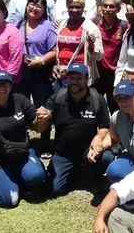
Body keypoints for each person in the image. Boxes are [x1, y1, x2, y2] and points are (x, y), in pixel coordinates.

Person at [0, 70, 47, 208]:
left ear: (11, 86)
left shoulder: (20, 100)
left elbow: (37, 128)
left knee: (37, 177)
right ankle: (0, 182)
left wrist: (42, 121)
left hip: (22, 155)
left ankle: (16, 179)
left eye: (6, 84)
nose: (2, 87)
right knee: (10, 200)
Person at [36, 63, 110, 195]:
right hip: (63, 152)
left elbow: (105, 126)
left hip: (88, 149)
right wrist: (44, 115)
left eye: (78, 78)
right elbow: (47, 113)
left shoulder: (96, 99)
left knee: (107, 157)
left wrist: (98, 138)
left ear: (87, 79)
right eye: (71, 78)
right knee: (54, 190)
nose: (74, 82)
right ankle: (75, 172)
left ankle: (96, 177)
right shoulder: (58, 97)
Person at [15, 0, 57, 155]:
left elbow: (54, 51)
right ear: (26, 6)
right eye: (32, 4)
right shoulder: (18, 24)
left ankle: (45, 143)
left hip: (40, 73)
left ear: (44, 10)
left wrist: (40, 61)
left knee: (42, 108)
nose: (35, 8)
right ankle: (21, 140)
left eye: (39, 6)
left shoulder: (48, 26)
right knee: (19, 106)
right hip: (21, 72)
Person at [54, 0, 103, 87]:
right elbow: (56, 50)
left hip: (81, 79)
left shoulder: (91, 28)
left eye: (78, 7)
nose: (74, 10)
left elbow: (99, 56)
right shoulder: (61, 26)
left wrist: (91, 46)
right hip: (62, 77)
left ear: (83, 8)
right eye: (71, 7)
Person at [95, 0, 128, 111]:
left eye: (112, 6)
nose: (108, 9)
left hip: (115, 75)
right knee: (95, 106)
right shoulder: (94, 24)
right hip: (97, 74)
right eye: (105, 6)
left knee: (115, 107)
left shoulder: (124, 27)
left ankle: (115, 129)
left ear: (118, 8)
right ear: (101, 7)